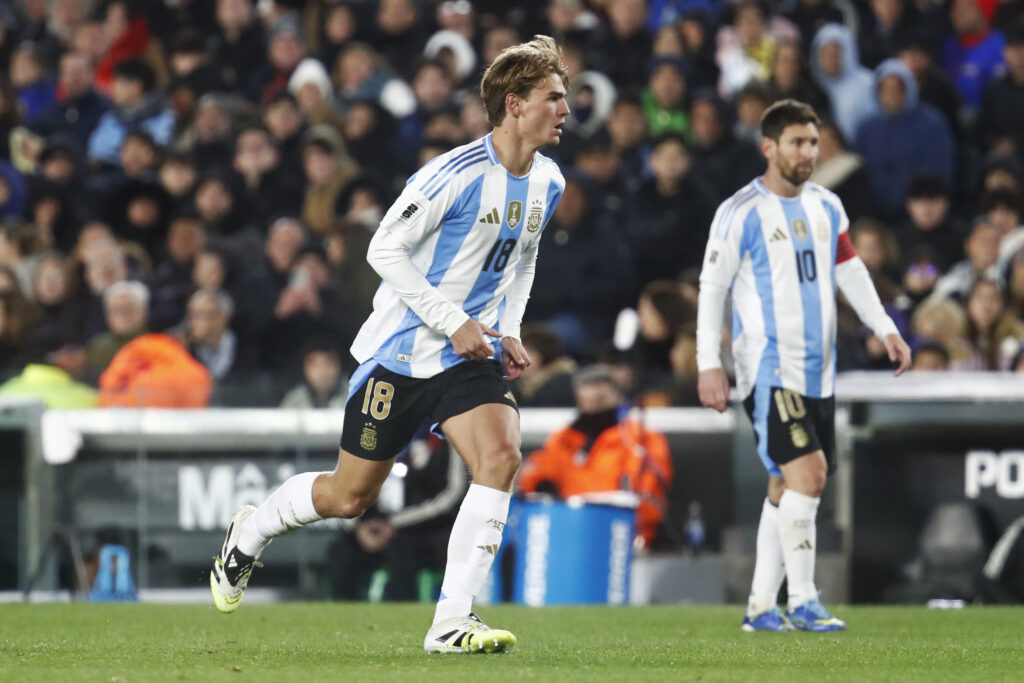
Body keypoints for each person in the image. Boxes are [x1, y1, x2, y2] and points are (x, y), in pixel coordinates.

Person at [209, 35, 569, 655]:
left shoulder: (549, 181)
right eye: (553, 98)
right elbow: (382, 249)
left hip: (467, 357)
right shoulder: (450, 175)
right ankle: (252, 530)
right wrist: (451, 318)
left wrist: (506, 324)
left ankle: (452, 621)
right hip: (402, 354)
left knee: (501, 455)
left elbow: (526, 257)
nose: (566, 109)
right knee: (349, 497)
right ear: (514, 104)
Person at [696, 99, 911, 633]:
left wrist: (883, 325)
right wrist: (708, 362)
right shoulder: (740, 211)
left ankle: (760, 608)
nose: (807, 152)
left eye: (813, 142)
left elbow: (849, 267)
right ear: (768, 147)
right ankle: (805, 599)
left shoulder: (827, 206)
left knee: (784, 487)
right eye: (796, 142)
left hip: (820, 371)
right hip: (769, 368)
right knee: (809, 475)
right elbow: (711, 290)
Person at [517, 364, 674, 549]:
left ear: (617, 393)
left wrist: (636, 524)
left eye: (601, 386)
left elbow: (651, 494)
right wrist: (541, 484)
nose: (594, 394)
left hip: (621, 535)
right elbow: (536, 472)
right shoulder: (563, 439)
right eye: (588, 387)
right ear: (578, 395)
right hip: (567, 532)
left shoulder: (640, 438)